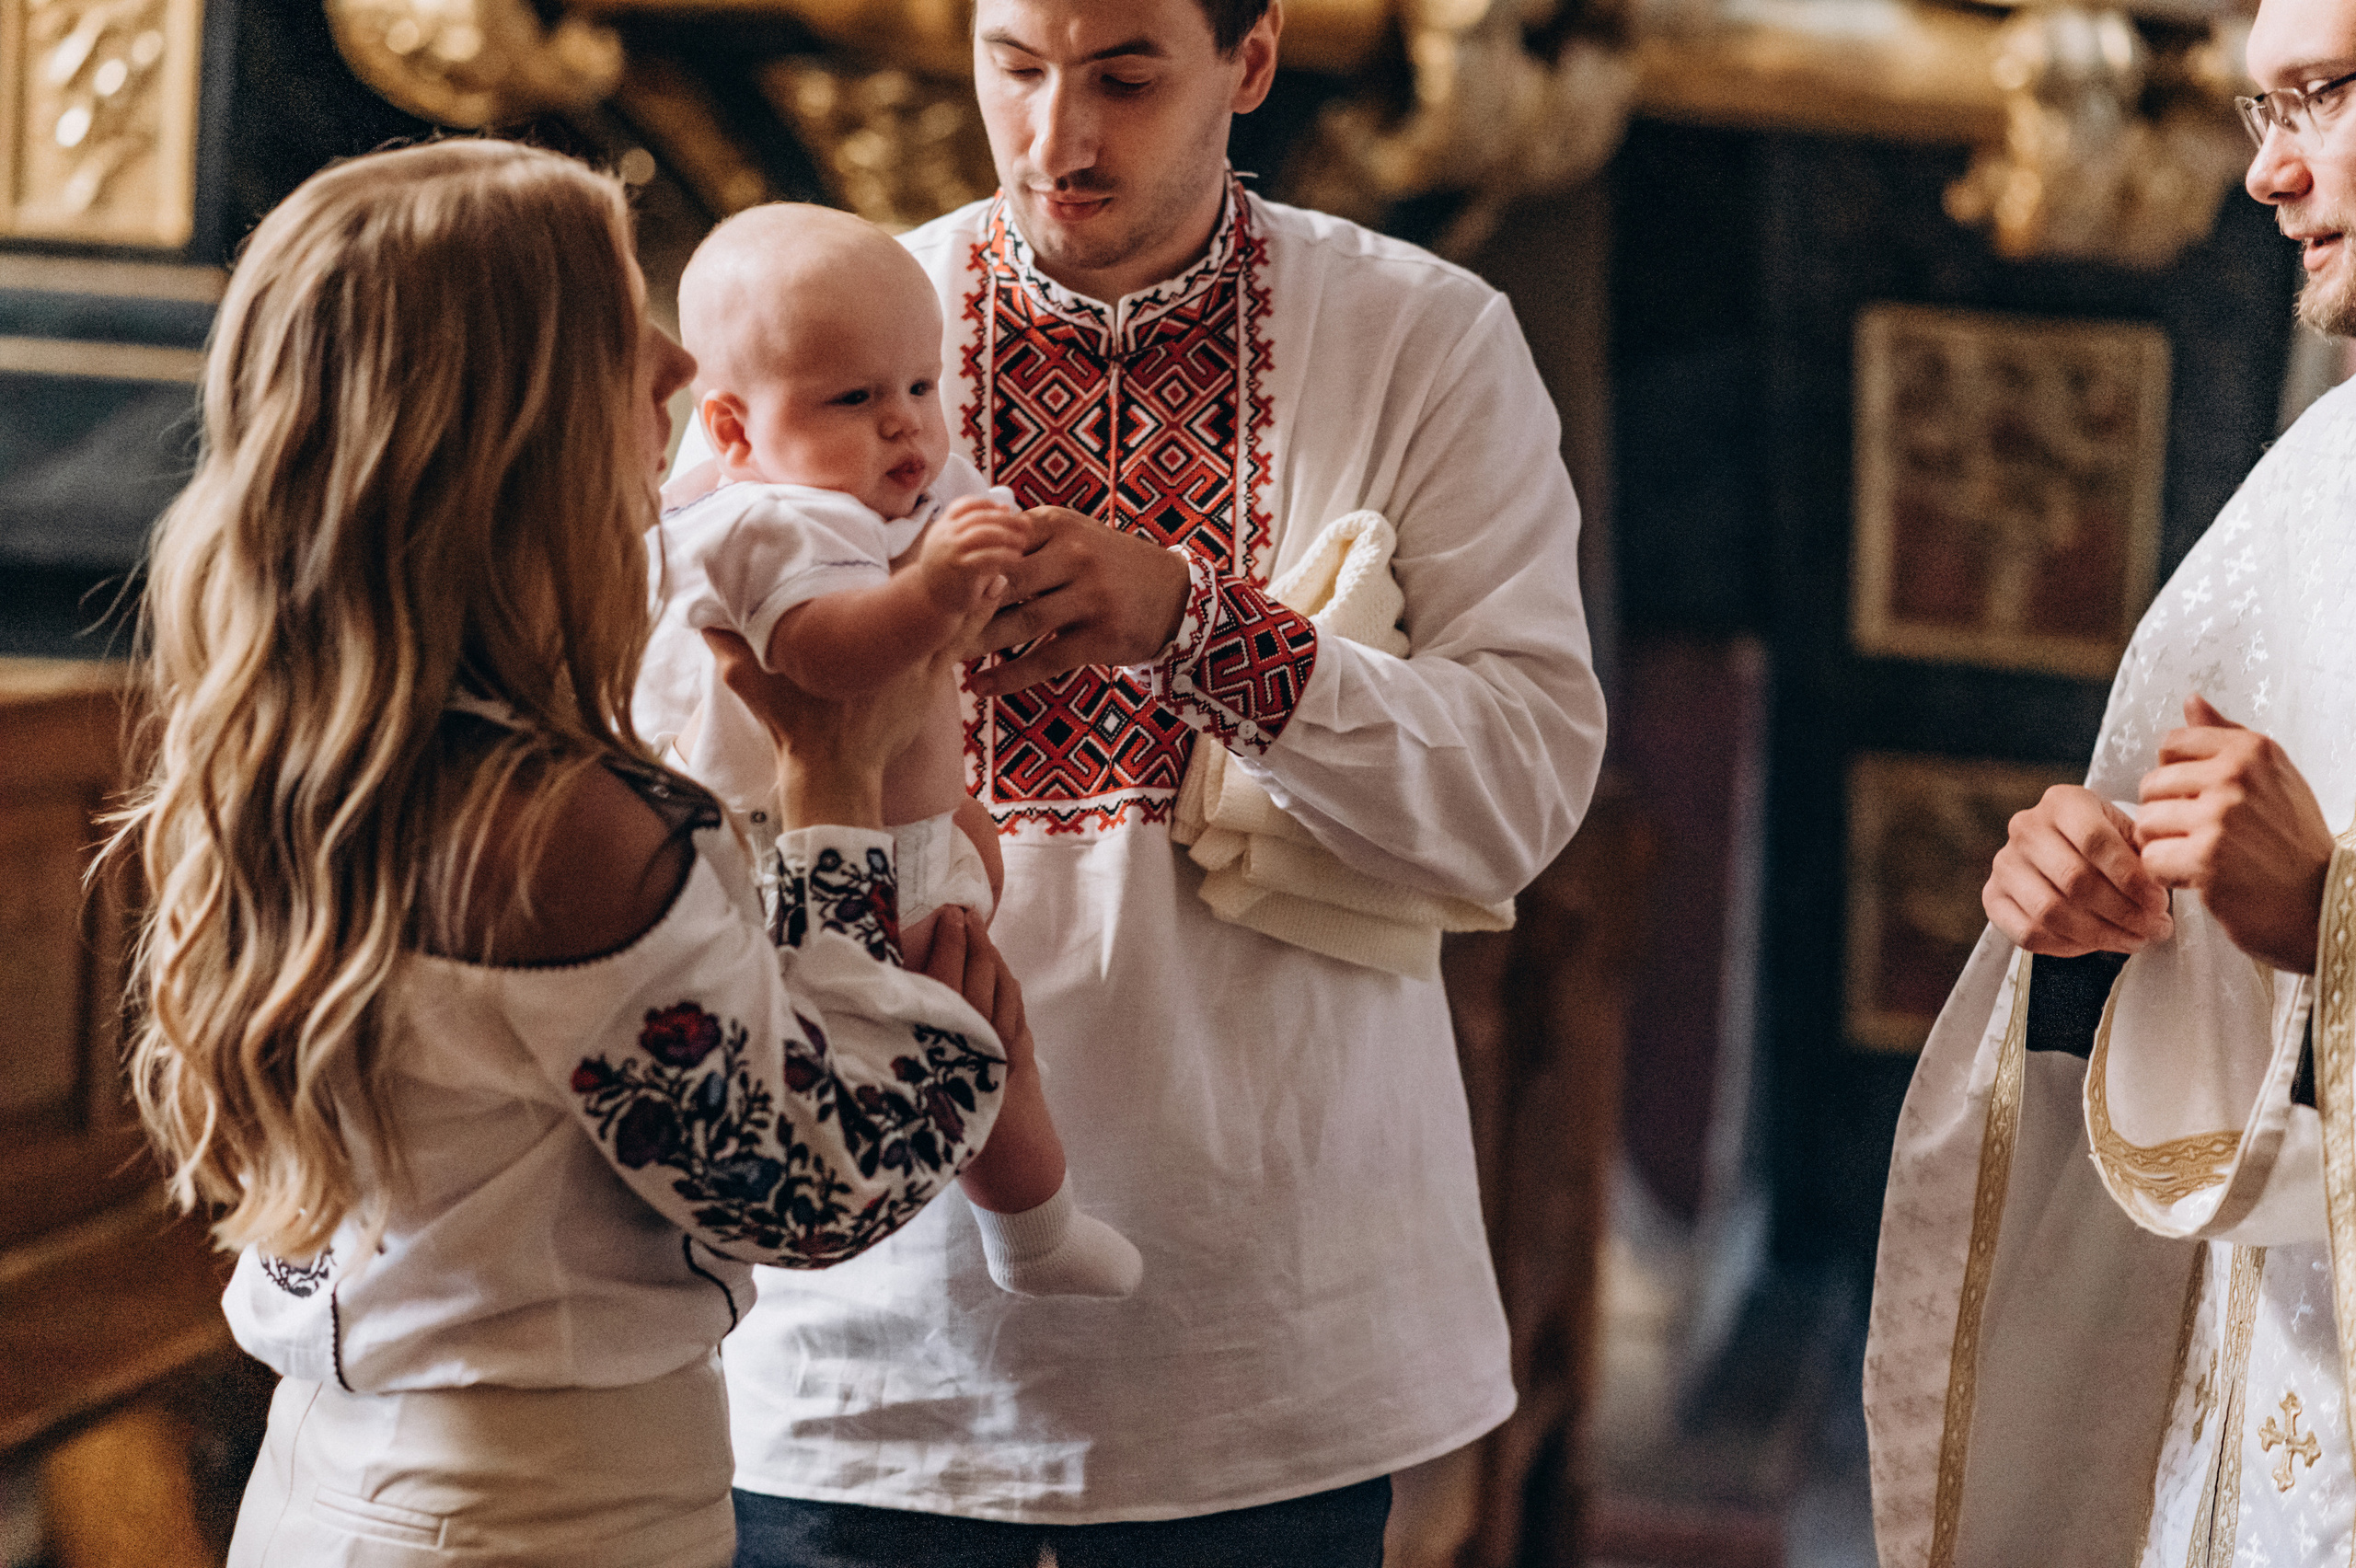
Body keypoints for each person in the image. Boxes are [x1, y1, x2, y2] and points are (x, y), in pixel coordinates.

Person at [676, 0, 1610, 1560]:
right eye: (1015, 69)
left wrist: (1194, 624)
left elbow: (1521, 783)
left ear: (1251, 61)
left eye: (1121, 75)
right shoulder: (816, 332)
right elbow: (672, 765)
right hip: (869, 1316)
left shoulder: (1424, 337)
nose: (1056, 137)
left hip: (1264, 1307)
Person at [115, 139, 1030, 1567]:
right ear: (515, 414)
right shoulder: (562, 833)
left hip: (343, 1472)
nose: (675, 365)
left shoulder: (305, 744)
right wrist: (843, 803)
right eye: (623, 324)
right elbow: (804, 1183)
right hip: (536, 1515)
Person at [1866, 0, 2356, 1561]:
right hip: (2279, 1393)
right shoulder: (2317, 485)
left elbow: (2305, 912)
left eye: (2325, 98)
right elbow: (2191, 978)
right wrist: (2089, 927)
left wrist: (2331, 918)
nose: (2271, 175)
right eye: (2259, 113)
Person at [640, 202, 1143, 1298]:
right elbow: (826, 662)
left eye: (921, 386)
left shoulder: (878, 489)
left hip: (909, 830)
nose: (907, 428)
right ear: (731, 432)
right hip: (818, 852)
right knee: (971, 1042)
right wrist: (931, 593)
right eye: (855, 400)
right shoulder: (764, 525)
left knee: (978, 1013)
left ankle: (1032, 1227)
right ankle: (1035, 1234)